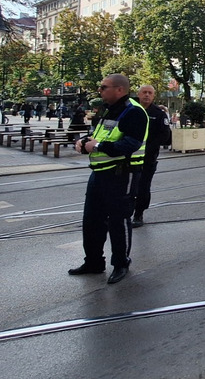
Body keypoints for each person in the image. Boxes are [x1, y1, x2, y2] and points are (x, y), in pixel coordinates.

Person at [69, 74, 149, 284]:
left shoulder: (134, 112)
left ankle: (121, 263)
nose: (100, 90)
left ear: (119, 90)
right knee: (92, 220)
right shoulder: (109, 109)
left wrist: (95, 146)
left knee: (119, 219)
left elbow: (129, 145)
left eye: (104, 87)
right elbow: (101, 136)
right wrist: (84, 142)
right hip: (100, 172)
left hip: (122, 173)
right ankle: (94, 262)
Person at [132, 85, 172, 228]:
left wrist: (148, 148)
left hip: (148, 158)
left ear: (154, 96)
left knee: (143, 187)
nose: (147, 95)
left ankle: (138, 214)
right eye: (144, 92)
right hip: (128, 157)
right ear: (139, 94)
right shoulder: (131, 110)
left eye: (150, 93)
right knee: (127, 186)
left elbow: (165, 135)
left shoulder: (158, 114)